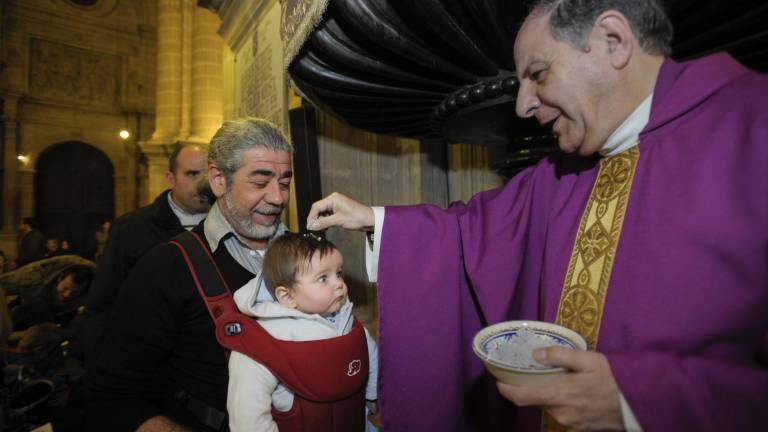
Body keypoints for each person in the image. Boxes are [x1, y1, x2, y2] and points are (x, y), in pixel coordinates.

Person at [307, 1, 768, 431]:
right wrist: (377, 220)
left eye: (539, 74)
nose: (522, 104)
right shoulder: (565, 169)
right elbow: (470, 234)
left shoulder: (753, 128)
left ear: (613, 41)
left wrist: (641, 399)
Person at [87, 118, 294, 432]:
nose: (278, 198)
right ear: (219, 181)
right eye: (260, 181)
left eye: (284, 182)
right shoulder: (166, 267)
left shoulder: (308, 256)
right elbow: (114, 395)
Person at [227, 232, 378, 432]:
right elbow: (247, 414)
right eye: (323, 278)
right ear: (287, 296)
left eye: (339, 273)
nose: (339, 283)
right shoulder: (263, 342)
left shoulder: (345, 320)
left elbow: (368, 353)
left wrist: (373, 396)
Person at [83, 143, 210, 364]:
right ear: (171, 178)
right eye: (192, 174)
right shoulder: (131, 228)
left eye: (211, 174)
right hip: (146, 365)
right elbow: (102, 303)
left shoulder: (232, 229)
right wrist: (101, 367)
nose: (204, 184)